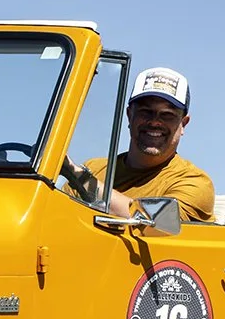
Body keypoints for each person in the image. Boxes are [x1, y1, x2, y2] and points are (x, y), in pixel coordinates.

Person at [61, 65, 214, 222]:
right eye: (145, 111)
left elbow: (160, 222)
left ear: (183, 124)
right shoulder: (95, 169)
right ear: (129, 115)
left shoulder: (194, 183)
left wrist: (77, 176)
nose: (155, 122)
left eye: (167, 115)